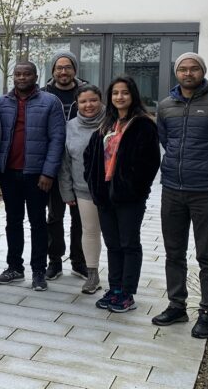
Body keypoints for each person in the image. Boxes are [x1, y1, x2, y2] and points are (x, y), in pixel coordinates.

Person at [152, 53, 208, 339]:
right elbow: (166, 140)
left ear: (202, 72)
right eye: (183, 68)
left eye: (194, 69)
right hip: (172, 190)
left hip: (205, 192)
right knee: (174, 252)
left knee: (206, 254)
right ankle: (177, 305)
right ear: (176, 72)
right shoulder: (166, 106)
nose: (188, 73)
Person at [84, 76, 161, 314]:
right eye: (115, 93)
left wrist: (135, 189)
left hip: (129, 197)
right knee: (113, 244)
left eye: (124, 92)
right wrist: (94, 183)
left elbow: (150, 163)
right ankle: (114, 287)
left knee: (129, 243)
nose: (120, 97)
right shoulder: (106, 123)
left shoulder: (143, 124)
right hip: (105, 195)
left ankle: (127, 292)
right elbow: (90, 156)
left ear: (133, 95)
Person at [0, 61, 65, 291]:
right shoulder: (2, 102)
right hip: (9, 173)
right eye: (18, 74)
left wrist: (48, 172)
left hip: (37, 176)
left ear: (35, 76)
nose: (22, 77)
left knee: (38, 223)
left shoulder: (50, 102)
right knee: (12, 221)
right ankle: (14, 267)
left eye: (27, 74)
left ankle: (39, 271)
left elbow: (57, 139)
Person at [42, 51, 88, 281]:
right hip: (53, 163)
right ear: (53, 71)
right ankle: (55, 260)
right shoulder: (43, 95)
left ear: (74, 69)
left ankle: (79, 261)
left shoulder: (87, 93)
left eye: (67, 67)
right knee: (54, 216)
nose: (63, 71)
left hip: (81, 165)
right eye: (59, 67)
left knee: (80, 217)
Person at [58, 84, 106, 295]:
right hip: (84, 190)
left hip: (112, 191)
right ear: (77, 104)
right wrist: (67, 191)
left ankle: (120, 277)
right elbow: (65, 163)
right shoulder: (69, 127)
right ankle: (92, 273)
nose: (89, 105)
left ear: (101, 101)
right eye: (84, 101)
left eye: (93, 100)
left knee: (116, 236)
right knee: (90, 231)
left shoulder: (113, 123)